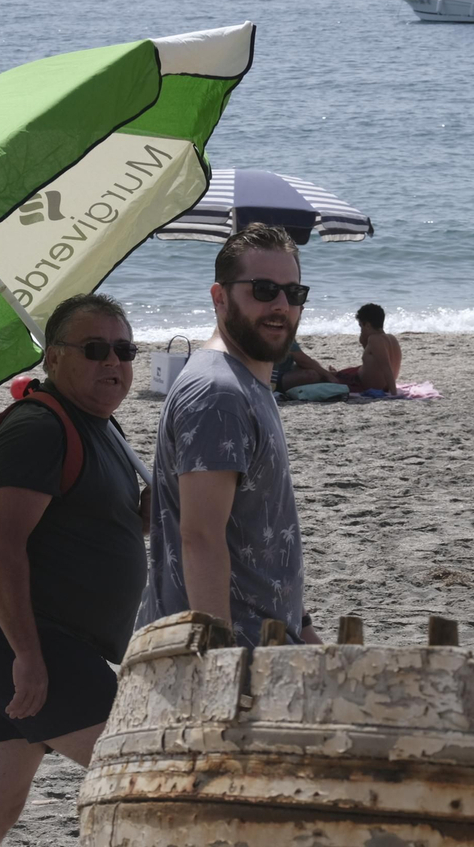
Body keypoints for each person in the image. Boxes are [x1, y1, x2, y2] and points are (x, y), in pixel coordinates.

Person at [0, 293, 149, 847]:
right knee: (144, 778)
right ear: (53, 358)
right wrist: (28, 657)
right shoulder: (40, 428)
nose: (114, 362)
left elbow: (100, 522)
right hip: (25, 642)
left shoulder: (101, 426)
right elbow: (0, 546)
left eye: (124, 350)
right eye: (95, 349)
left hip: (21, 641)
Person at [137, 223, 323, 648]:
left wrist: (304, 627)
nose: (281, 305)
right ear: (219, 297)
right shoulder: (218, 393)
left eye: (293, 293)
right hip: (229, 657)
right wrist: (219, 660)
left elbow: (259, 532)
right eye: (262, 290)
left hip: (266, 645)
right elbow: (200, 537)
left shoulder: (247, 384)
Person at [330, 303, 402, 393]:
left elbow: (386, 367)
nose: (361, 330)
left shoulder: (375, 339)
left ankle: (335, 374)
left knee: (327, 378)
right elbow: (373, 361)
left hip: (360, 383)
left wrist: (394, 393)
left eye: (361, 326)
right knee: (344, 372)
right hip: (381, 383)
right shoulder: (392, 338)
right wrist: (364, 342)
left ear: (367, 325)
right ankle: (337, 373)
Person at [271, 340, 338, 391]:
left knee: (314, 365)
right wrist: (328, 375)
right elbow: (302, 360)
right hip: (273, 379)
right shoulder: (280, 333)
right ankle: (326, 378)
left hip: (284, 370)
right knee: (311, 375)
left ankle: (325, 377)